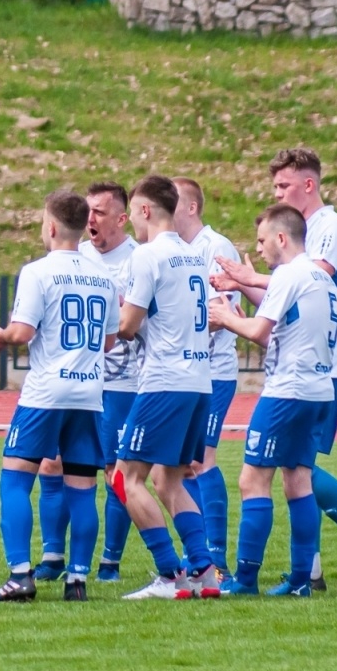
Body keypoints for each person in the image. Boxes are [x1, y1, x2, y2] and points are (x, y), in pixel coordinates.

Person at [214, 148, 337, 592]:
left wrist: (239, 294)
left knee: (283, 475)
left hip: (311, 372)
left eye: (283, 186)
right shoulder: (298, 266)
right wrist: (247, 283)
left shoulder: (327, 229)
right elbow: (288, 308)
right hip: (314, 371)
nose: (277, 192)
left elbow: (301, 284)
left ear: (308, 185)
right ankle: (306, 576)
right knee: (298, 475)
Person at [0, 190, 119, 603]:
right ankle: (77, 580)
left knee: (15, 481)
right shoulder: (103, 277)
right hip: (89, 393)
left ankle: (21, 575)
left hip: (46, 392)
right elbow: (109, 342)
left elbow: (22, 332)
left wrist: (2, 335)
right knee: (81, 488)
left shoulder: (38, 272)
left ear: (52, 226)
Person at [207, 204, 337, 597]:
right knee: (298, 483)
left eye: (263, 240)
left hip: (287, 392)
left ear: (282, 238)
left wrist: (224, 316)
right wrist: (246, 286)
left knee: (252, 480)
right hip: (319, 390)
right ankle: (301, 581)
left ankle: (245, 580)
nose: (259, 248)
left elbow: (258, 330)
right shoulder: (318, 276)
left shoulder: (288, 274)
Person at [114, 175, 219, 601]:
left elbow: (127, 326)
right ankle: (205, 570)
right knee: (169, 481)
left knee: (126, 479)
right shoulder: (194, 255)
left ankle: (168, 574)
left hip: (163, 381)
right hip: (199, 381)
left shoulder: (147, 256)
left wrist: (115, 315)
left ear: (144, 210)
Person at [172, 176, 242, 574]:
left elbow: (222, 315)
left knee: (202, 461)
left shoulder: (214, 247)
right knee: (184, 465)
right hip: (189, 371)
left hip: (213, 371)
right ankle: (198, 557)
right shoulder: (177, 250)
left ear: (193, 207)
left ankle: (216, 560)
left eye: (175, 200)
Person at [78, 182, 139, 582]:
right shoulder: (76, 255)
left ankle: (110, 562)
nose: (90, 219)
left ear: (122, 218)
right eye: (88, 210)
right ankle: (54, 558)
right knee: (60, 466)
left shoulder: (139, 259)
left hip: (124, 382)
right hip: (80, 383)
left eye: (100, 212)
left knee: (116, 472)